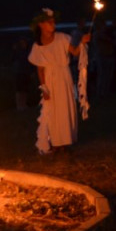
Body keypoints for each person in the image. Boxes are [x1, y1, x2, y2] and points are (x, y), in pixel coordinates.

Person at [28, 9, 90, 154]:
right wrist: (44, 87)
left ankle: (65, 141)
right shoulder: (37, 46)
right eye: (50, 22)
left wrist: (82, 42)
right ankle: (55, 142)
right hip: (49, 79)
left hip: (64, 76)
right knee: (52, 111)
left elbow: (74, 52)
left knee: (64, 108)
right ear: (41, 25)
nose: (53, 24)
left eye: (54, 22)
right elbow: (40, 69)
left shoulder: (62, 38)